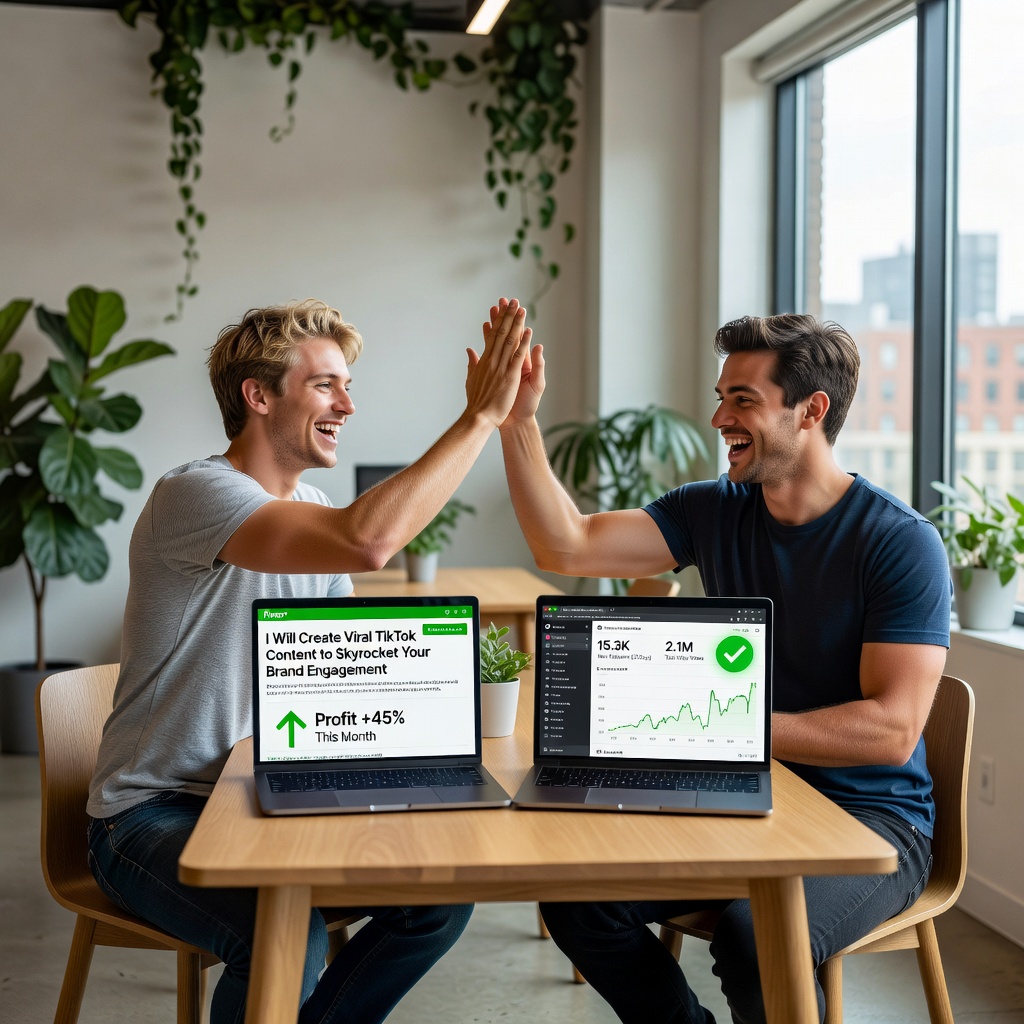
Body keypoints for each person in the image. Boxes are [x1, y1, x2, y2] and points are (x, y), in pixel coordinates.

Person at [496, 308, 950, 1024]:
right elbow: (570, 546)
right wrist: (515, 421)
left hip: (872, 818)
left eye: (743, 400)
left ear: (812, 410)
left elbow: (890, 733)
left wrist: (720, 733)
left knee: (753, 937)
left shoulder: (899, 542)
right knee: (578, 896)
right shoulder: (715, 510)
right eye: (720, 396)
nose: (717, 418)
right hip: (742, 789)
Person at [87, 296, 531, 1024]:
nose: (348, 405)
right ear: (257, 397)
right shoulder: (195, 494)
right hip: (151, 813)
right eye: (326, 384)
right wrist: (479, 417)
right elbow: (368, 541)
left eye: (346, 384)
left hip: (267, 793)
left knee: (438, 901)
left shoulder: (316, 507)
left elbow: (349, 668)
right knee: (280, 941)